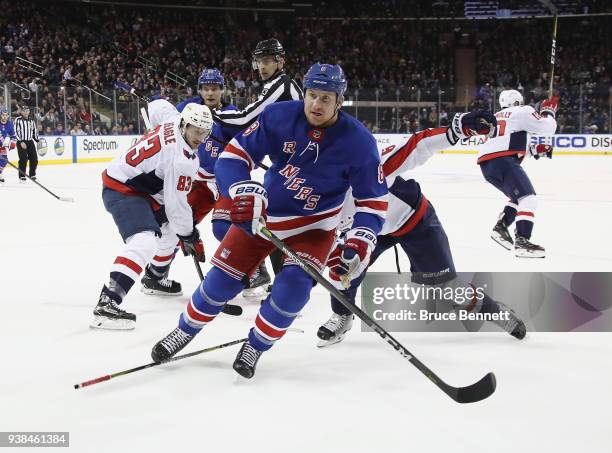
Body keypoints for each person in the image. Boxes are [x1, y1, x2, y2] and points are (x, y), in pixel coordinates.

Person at [151, 63, 388, 378]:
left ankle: (255, 345)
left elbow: (373, 201)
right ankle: (185, 330)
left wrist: (362, 238)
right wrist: (243, 189)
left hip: (314, 229)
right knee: (218, 284)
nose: (316, 104)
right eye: (312, 95)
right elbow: (234, 157)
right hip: (263, 217)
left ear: (340, 101)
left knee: (292, 292)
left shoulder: (359, 141)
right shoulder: (279, 117)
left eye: (326, 98)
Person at [317, 112, 527, 347]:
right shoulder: (315, 190)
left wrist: (457, 129)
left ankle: (494, 311)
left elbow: (417, 145)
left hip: (414, 221)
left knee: (449, 289)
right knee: (341, 271)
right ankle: (342, 316)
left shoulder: (371, 166)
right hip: (369, 232)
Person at [90, 103, 214, 330]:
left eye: (205, 132)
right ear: (185, 125)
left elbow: (157, 105)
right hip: (123, 188)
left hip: (140, 189)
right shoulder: (182, 160)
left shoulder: (174, 119)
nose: (200, 137)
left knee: (168, 230)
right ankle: (107, 303)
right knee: (144, 241)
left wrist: (184, 233)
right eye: (196, 130)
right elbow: (177, 205)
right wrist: (189, 235)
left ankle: (155, 277)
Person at [210, 38, 304, 294]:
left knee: (278, 225)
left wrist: (212, 113)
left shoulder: (281, 84)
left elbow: (247, 118)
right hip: (289, 165)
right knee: (275, 224)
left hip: (298, 167)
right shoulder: (276, 85)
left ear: (280, 62)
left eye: (267, 60)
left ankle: (286, 286)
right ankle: (280, 285)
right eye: (258, 61)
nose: (261, 66)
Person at [139, 69, 239, 296]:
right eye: (206, 88)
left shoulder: (232, 114)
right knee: (178, 225)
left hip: (222, 181)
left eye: (215, 88)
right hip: (194, 180)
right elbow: (168, 123)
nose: (210, 92)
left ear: (222, 89)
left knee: (235, 223)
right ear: (200, 90)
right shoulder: (188, 108)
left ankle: (254, 272)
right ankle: (155, 274)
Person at [479, 90, 558, 258]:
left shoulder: (496, 117)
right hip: (503, 161)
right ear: (518, 101)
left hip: (487, 165)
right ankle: (522, 240)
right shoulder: (522, 111)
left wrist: (536, 149)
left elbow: (508, 142)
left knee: (518, 198)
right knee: (528, 199)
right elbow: (548, 127)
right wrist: (548, 111)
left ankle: (501, 226)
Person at [14, 106, 39, 182]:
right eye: (24, 111)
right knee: (23, 159)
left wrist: (37, 140)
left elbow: (34, 131)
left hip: (30, 142)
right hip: (21, 142)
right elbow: (16, 132)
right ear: (21, 112)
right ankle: (22, 175)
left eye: (27, 111)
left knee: (34, 159)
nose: (25, 112)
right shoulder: (18, 120)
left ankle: (32, 174)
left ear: (29, 112)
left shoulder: (32, 120)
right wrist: (21, 141)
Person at [0, 108, 17, 183]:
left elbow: (13, 136)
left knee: (4, 160)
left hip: (2, 146)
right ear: (1, 115)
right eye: (3, 115)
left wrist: (13, 143)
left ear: (8, 116)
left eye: (6, 115)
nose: (4, 117)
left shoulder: (10, 124)